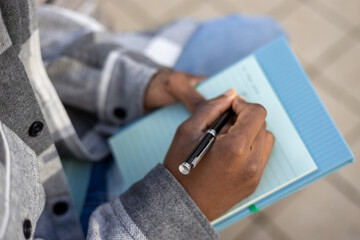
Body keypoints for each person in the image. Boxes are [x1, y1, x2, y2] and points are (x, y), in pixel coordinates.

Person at [0, 0, 283, 239]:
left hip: (75, 127)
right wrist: (179, 210)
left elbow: (25, 44)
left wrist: (139, 84)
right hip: (99, 224)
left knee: (264, 35)